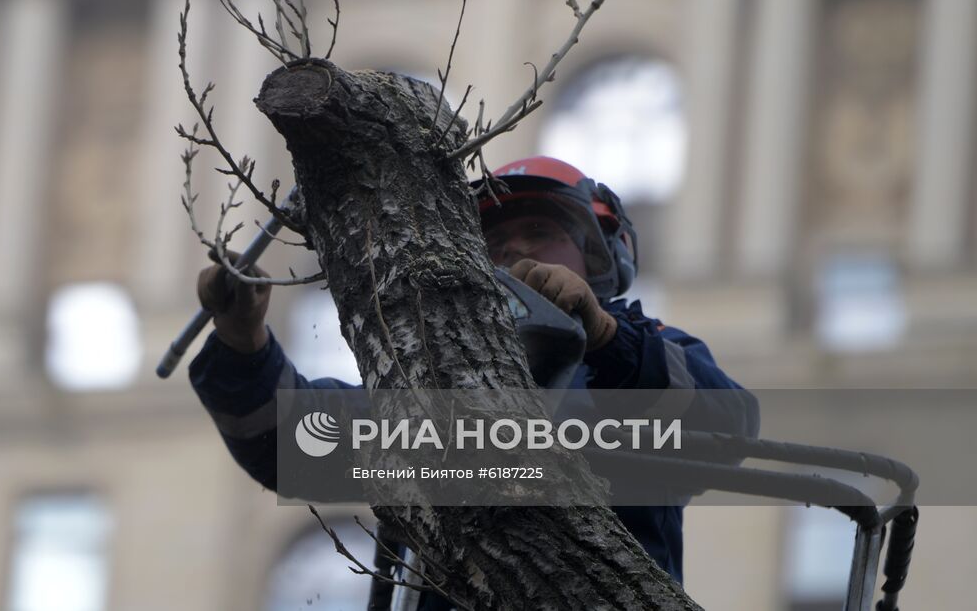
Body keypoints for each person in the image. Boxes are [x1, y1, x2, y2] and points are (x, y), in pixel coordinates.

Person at [188, 155, 758, 599]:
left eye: (539, 231)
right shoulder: (431, 391)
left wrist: (608, 337)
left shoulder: (643, 358)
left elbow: (727, 427)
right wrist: (243, 341)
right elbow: (291, 445)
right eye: (494, 245)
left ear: (603, 256)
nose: (515, 257)